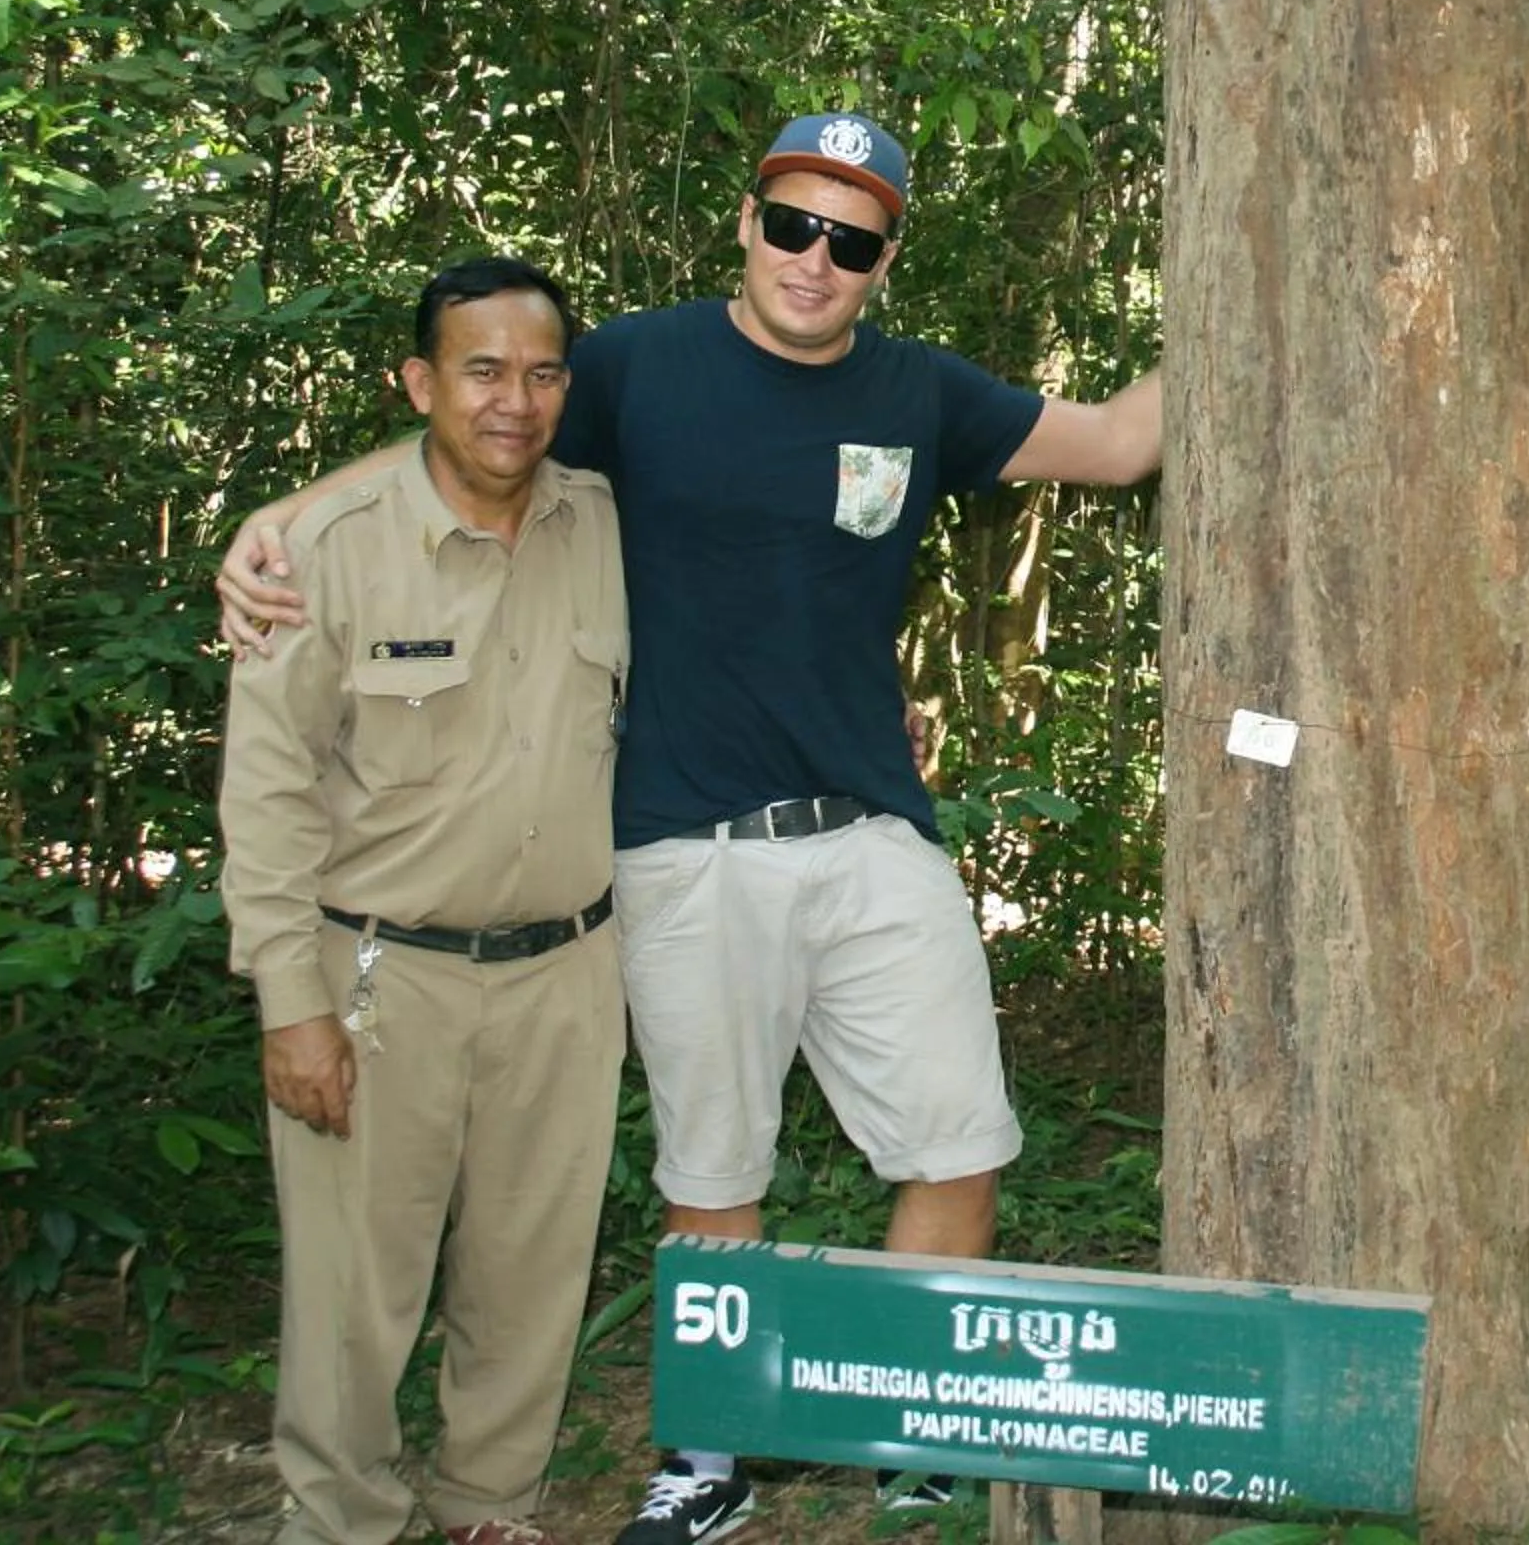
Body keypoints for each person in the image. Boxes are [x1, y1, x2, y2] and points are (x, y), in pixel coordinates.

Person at [219, 114, 1162, 1545]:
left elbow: (1117, 441)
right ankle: (708, 1462)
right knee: (714, 1172)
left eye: (851, 240)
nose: (815, 259)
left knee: (959, 1137)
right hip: (679, 845)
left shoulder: (922, 392)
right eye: (793, 224)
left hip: (874, 833)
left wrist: (1266, 273)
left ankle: (913, 1431)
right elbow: (468, 439)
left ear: (885, 260)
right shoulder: (630, 369)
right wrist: (279, 520)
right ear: (747, 222)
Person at [221, 257, 626, 1545]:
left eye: (543, 373)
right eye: (482, 370)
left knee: (531, 1266)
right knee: (354, 1285)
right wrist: (291, 1004)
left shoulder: (606, 528)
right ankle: (339, 1515)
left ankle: (488, 1501)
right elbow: (269, 793)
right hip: (380, 977)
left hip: (567, 973)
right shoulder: (325, 553)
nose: (515, 400)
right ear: (420, 383)